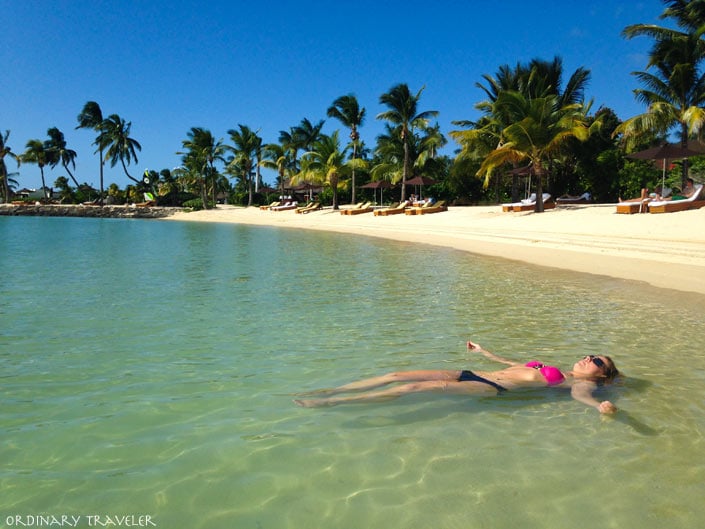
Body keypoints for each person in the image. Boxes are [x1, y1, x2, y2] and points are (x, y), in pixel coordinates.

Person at [294, 340, 620, 413]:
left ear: (601, 376)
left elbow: (582, 397)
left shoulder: (576, 384)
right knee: (396, 373)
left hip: (489, 387)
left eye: (596, 361)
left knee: (410, 387)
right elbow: (512, 363)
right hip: (474, 371)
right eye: (590, 353)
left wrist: (599, 407)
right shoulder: (555, 368)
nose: (587, 358)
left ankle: (333, 402)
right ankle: (332, 389)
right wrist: (483, 352)